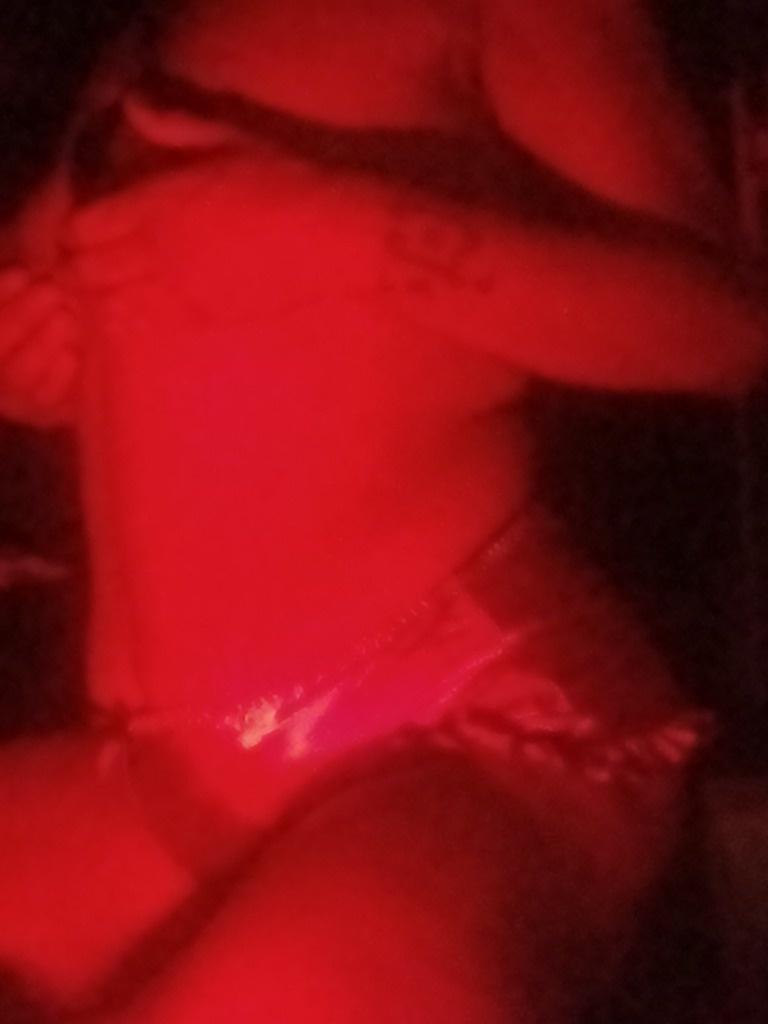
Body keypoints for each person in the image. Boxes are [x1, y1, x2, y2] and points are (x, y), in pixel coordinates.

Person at [0, 1, 765, 1020]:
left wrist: (341, 229)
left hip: (463, 732)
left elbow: (724, 328)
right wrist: (35, 352)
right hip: (173, 763)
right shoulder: (152, 31)